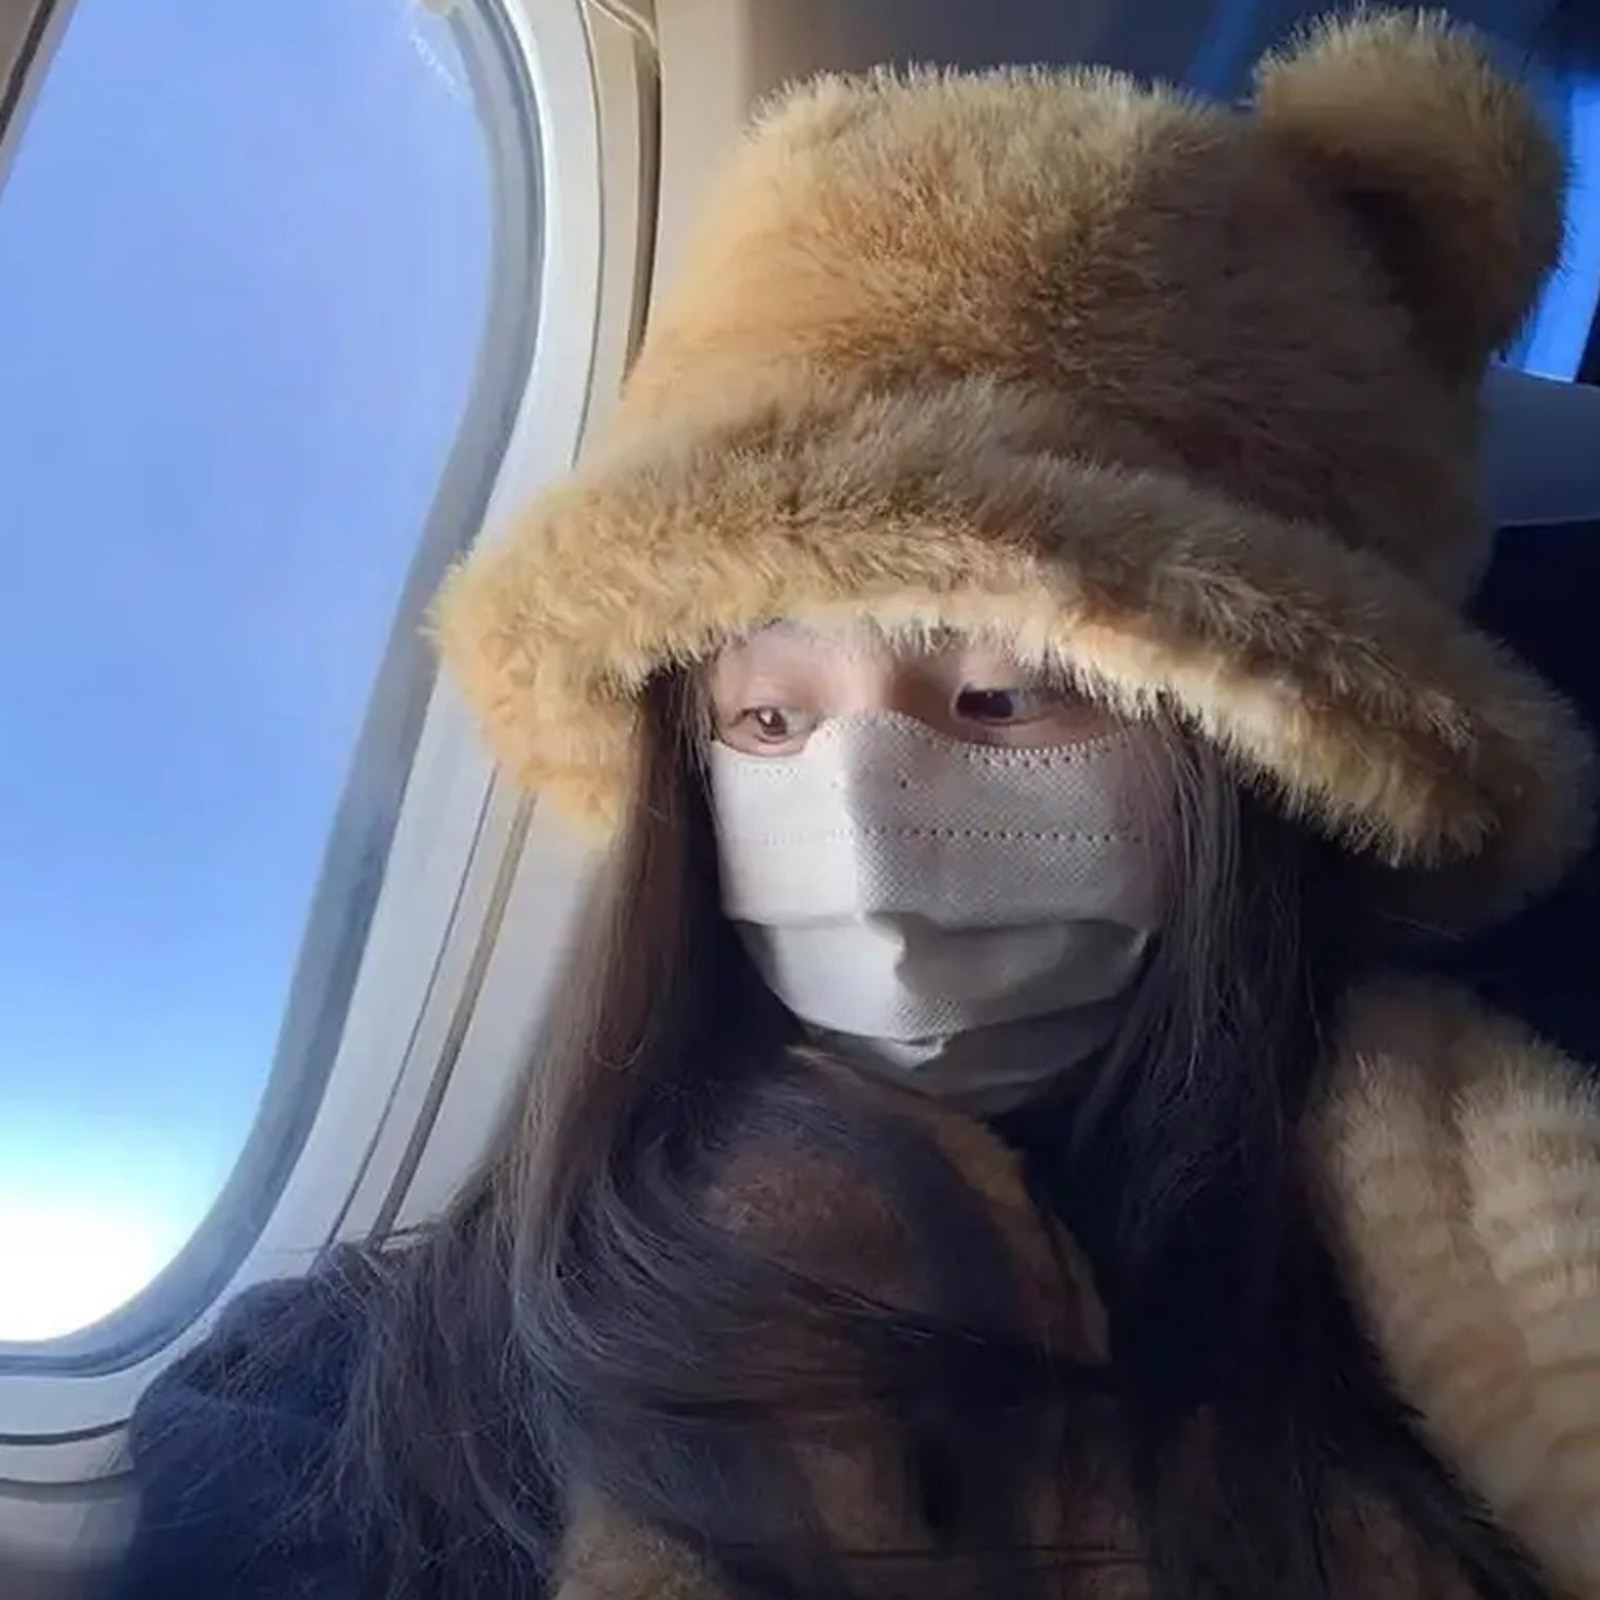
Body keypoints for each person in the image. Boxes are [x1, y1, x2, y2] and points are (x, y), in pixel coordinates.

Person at [112, 13, 1600, 1600]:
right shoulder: (340, 1410)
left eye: (1005, 700)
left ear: (1261, 761)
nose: (871, 833)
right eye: (767, 717)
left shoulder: (1468, 1310)